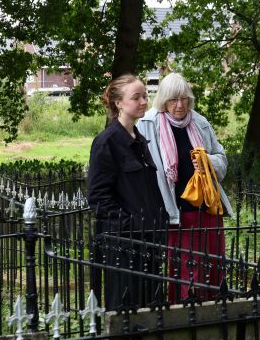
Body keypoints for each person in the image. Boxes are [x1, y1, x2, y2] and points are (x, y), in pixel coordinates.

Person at [137, 72, 234, 302]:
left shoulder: (199, 122)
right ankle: (185, 312)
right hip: (178, 213)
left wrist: (208, 161)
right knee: (186, 270)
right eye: (173, 100)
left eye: (184, 99)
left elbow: (222, 158)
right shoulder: (148, 124)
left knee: (213, 264)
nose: (179, 105)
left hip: (208, 209)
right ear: (163, 100)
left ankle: (213, 309)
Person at [87, 74, 167, 311]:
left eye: (145, 95)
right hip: (124, 243)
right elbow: (99, 197)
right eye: (136, 97)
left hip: (149, 240)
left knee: (149, 308)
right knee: (125, 309)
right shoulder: (107, 142)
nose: (144, 101)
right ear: (118, 103)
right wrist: (128, 225)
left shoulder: (140, 140)